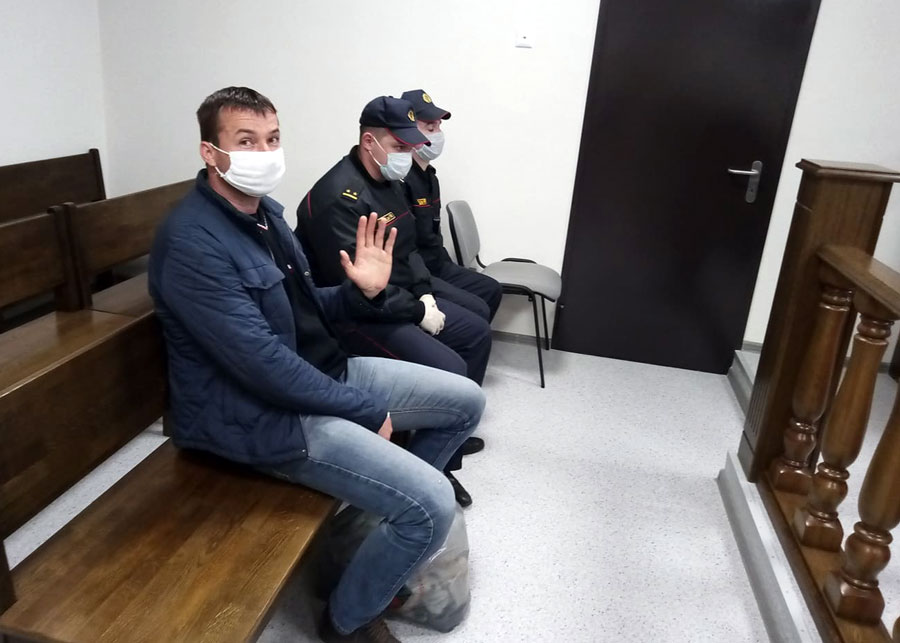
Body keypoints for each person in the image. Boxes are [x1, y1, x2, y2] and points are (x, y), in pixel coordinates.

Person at [149, 86, 485, 643]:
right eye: (246, 141)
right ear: (211, 152)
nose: (264, 152)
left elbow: (305, 307)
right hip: (261, 417)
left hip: (320, 375)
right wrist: (363, 410)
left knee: (465, 401)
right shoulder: (193, 243)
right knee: (431, 504)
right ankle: (346, 621)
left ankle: (365, 533)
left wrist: (361, 293)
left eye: (272, 138)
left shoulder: (266, 216)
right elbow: (262, 365)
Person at [296, 96, 491, 506]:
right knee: (450, 367)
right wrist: (418, 311)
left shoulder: (391, 181)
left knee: (475, 333)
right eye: (400, 146)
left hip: (398, 297)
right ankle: (424, 475)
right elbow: (358, 292)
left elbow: (409, 248)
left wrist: (424, 292)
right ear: (369, 142)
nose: (408, 154)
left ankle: (444, 450)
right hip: (356, 315)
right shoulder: (338, 199)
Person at [399, 89, 502, 322]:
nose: (438, 134)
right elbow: (407, 248)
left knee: (491, 289)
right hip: (420, 272)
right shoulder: (401, 180)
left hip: (438, 264)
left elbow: (433, 235)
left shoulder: (430, 177)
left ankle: (473, 337)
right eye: (430, 128)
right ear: (408, 131)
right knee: (476, 308)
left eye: (439, 127)